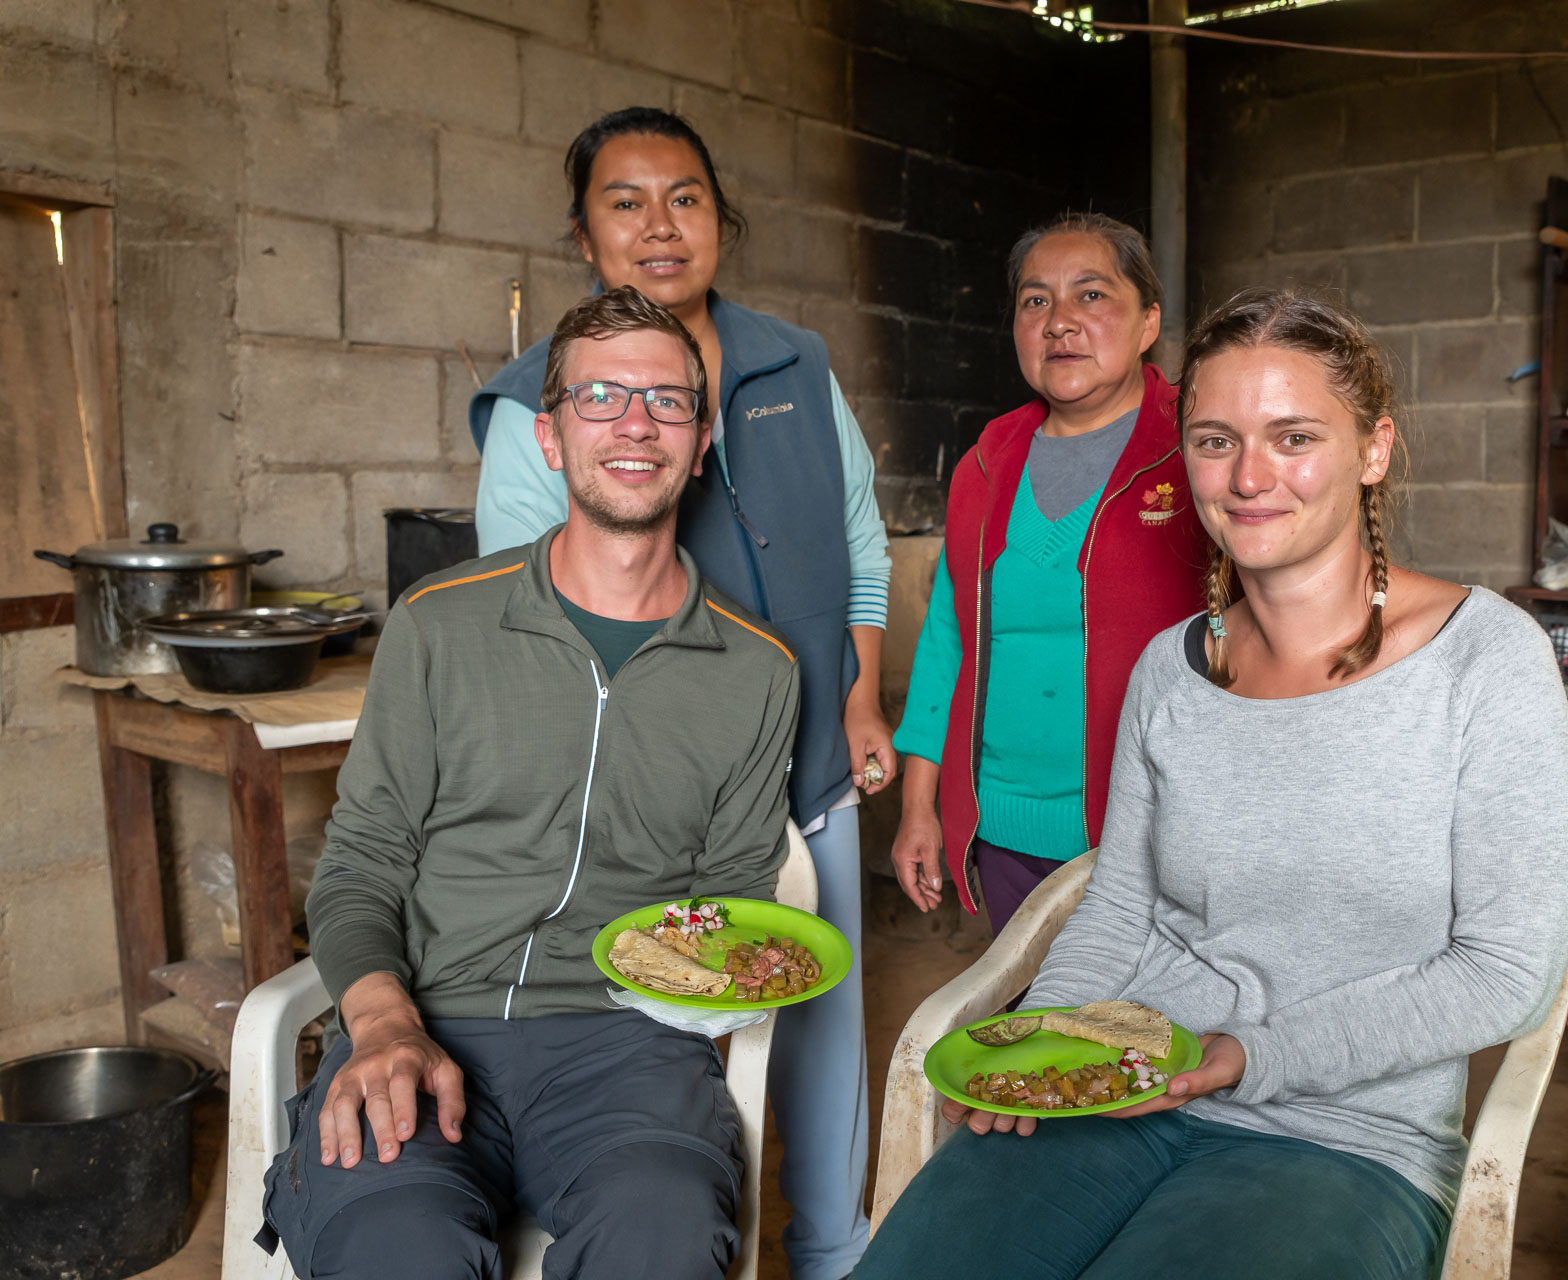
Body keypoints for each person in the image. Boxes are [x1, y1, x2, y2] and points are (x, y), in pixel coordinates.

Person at [856, 290, 1568, 1280]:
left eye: (1293, 436)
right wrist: (1033, 1051)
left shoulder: (1484, 660)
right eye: (1213, 439)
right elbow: (1120, 909)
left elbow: (1504, 970)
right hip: (1120, 1086)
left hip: (1341, 1140)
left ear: (1373, 449)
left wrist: (1248, 1051)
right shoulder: (1172, 669)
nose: (1249, 477)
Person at [260, 288, 800, 1279]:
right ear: (551, 435)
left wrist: (725, 961)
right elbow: (361, 864)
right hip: (422, 1013)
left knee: (665, 1233)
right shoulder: (437, 625)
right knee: (393, 1242)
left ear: (702, 433)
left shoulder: (758, 670)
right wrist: (380, 1021)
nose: (636, 423)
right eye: (600, 396)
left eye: (667, 400)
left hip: (625, 1045)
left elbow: (727, 905)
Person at [468, 107, 884, 1278]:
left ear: (720, 218)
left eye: (686, 197)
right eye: (625, 201)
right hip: (641, 807)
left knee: (824, 1034)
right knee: (666, 1041)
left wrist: (859, 699)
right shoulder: (536, 408)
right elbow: (522, 622)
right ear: (582, 233)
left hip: (808, 765)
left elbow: (859, 541)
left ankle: (836, 1248)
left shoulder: (795, 365)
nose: (660, 225)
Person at [888, 213, 1212, 934]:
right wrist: (919, 808)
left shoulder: (1199, 448)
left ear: (1148, 321)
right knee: (1037, 1036)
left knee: (1141, 1042)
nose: (1060, 321)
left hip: (1154, 834)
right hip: (1005, 832)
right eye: (1036, 301)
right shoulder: (986, 462)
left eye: (1091, 296)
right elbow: (947, 640)